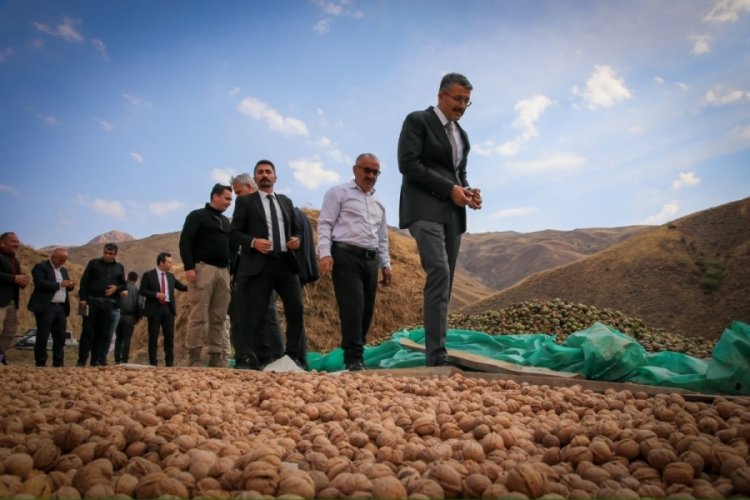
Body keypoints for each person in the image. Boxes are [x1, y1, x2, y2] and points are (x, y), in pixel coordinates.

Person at [397, 72, 482, 366]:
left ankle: (439, 349)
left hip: (452, 215)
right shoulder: (417, 121)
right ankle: (436, 356)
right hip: (423, 210)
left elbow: (458, 174)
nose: (461, 105)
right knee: (439, 272)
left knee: (445, 284)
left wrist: (468, 192)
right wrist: (450, 189)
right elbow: (407, 164)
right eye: (457, 99)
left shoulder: (463, 136)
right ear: (440, 96)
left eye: (467, 102)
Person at [317, 153, 392, 371]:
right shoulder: (337, 192)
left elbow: (382, 236)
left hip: (370, 260)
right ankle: (353, 359)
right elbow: (325, 224)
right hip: (345, 256)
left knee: (367, 309)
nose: (370, 175)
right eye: (366, 170)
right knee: (353, 307)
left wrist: (385, 264)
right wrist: (325, 253)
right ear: (355, 170)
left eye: (375, 172)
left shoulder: (379, 203)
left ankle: (357, 355)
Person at [230, 159, 307, 370]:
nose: (265, 175)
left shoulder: (286, 201)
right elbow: (234, 233)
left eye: (268, 172)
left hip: (285, 264)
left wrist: (296, 240)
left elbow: (297, 230)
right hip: (260, 265)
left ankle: (295, 357)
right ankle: (263, 360)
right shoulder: (246, 202)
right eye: (260, 172)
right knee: (259, 315)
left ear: (275, 177)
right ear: (255, 178)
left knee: (296, 310)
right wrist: (253, 242)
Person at [229, 173, 284, 365]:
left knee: (268, 313)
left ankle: (277, 356)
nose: (237, 197)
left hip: (265, 267)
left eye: (239, 192)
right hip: (247, 269)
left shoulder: (270, 207)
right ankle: (251, 357)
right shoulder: (244, 208)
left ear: (250, 188)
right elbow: (234, 236)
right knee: (245, 315)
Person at [179, 183, 233, 367]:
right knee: (198, 315)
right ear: (215, 196)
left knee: (219, 316)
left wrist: (230, 271)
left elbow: (232, 247)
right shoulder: (197, 216)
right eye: (227, 198)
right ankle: (194, 357)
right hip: (203, 269)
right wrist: (189, 267)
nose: (229, 203)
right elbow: (185, 241)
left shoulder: (226, 222)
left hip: (223, 272)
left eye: (231, 200)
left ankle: (216, 356)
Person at [77, 243, 127, 366]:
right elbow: (84, 281)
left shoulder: (119, 267)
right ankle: (81, 361)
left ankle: (95, 361)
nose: (107, 255)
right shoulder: (93, 263)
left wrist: (116, 288)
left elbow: (124, 284)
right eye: (105, 252)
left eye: (110, 253)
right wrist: (83, 298)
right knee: (88, 332)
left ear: (115, 254)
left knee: (101, 333)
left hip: (107, 304)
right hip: (92, 301)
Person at [27, 247, 76, 367]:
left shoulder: (64, 270)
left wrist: (70, 285)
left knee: (60, 336)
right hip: (46, 306)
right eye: (60, 260)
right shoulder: (41, 267)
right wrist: (59, 284)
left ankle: (58, 362)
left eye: (64, 260)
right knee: (43, 335)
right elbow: (39, 283)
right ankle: (41, 362)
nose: (62, 262)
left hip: (61, 307)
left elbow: (65, 287)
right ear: (53, 257)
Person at [139, 252, 187, 366]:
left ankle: (169, 363)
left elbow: (181, 287)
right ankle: (153, 363)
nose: (171, 264)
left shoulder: (170, 276)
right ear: (161, 262)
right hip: (154, 309)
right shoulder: (148, 275)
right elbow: (142, 291)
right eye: (169, 262)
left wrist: (194, 286)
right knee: (153, 336)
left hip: (168, 309)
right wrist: (156, 294)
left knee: (169, 336)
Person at [0, 232, 31, 364]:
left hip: (12, 301)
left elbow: (16, 279)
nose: (17, 244)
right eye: (13, 241)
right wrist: (14, 278)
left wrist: (22, 281)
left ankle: (0, 356)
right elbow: (12, 278)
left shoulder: (14, 260)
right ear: (2, 243)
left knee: (10, 331)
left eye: (18, 242)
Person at [114, 271, 141, 364]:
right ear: (136, 279)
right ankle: (124, 359)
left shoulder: (121, 288)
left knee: (118, 338)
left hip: (118, 314)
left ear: (128, 278)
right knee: (127, 339)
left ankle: (117, 359)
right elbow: (140, 304)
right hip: (130, 317)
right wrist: (138, 317)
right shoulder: (137, 290)